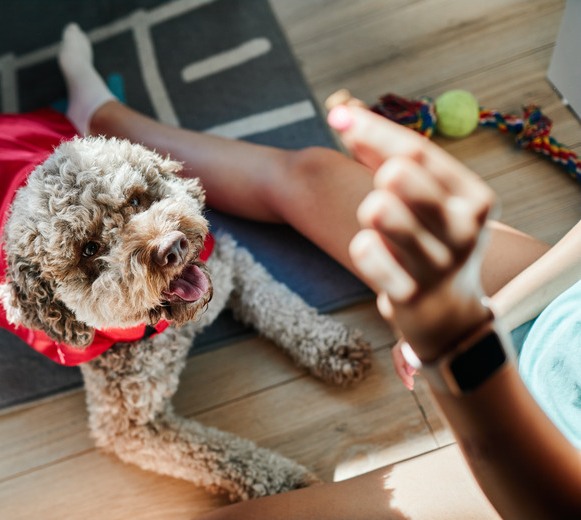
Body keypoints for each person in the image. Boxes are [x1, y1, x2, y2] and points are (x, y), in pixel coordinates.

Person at [58, 24, 581, 519]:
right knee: (315, 175)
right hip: (566, 317)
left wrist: (460, 349)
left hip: (552, 469)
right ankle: (104, 119)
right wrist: (492, 313)